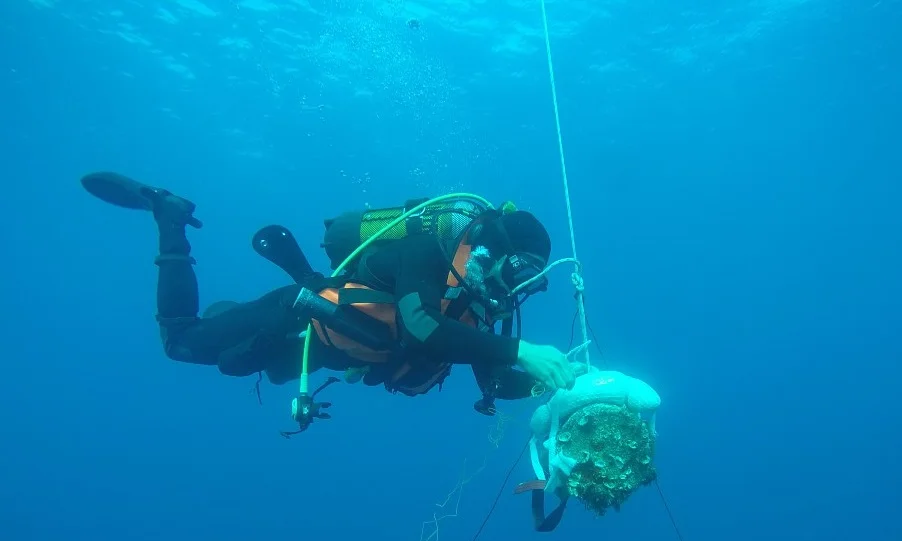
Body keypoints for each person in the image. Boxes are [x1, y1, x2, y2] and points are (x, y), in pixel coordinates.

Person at [80, 173, 577, 431]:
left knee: (236, 362)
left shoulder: (482, 300)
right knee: (182, 345)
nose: (516, 288)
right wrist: (522, 352)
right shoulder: (428, 249)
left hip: (321, 350)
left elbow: (492, 376)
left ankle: (228, 318)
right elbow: (422, 326)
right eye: (520, 271)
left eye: (530, 281)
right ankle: (169, 216)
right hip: (296, 314)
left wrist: (557, 384)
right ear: (494, 248)